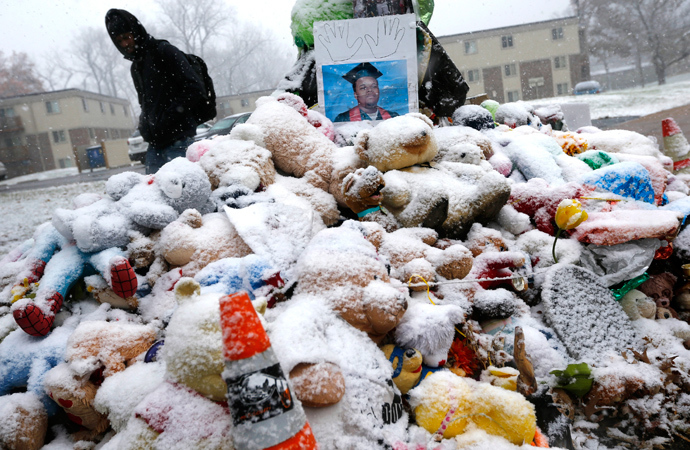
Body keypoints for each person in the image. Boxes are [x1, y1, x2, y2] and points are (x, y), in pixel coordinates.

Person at [105, 9, 208, 174]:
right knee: (151, 195)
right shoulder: (136, 67)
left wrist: (169, 117)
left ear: (135, 32)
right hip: (155, 145)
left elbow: (194, 88)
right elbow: (144, 104)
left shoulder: (164, 52)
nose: (124, 44)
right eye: (119, 41)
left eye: (126, 37)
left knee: (182, 194)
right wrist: (145, 126)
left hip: (178, 141)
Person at [334, 62, 400, 122]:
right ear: (356, 95)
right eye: (363, 88)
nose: (370, 90)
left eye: (374, 86)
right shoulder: (344, 119)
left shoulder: (393, 117)